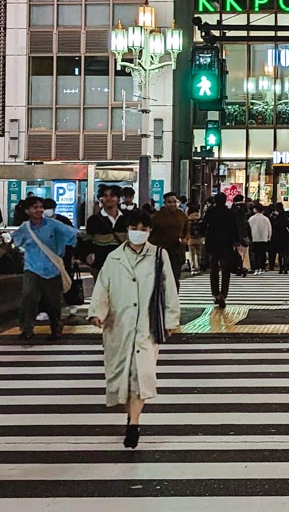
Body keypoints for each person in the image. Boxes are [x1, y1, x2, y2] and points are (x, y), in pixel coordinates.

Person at [87, 209, 180, 450]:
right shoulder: (114, 258)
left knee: (141, 375)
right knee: (121, 378)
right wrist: (97, 313)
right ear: (127, 230)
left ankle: (134, 424)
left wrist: (171, 319)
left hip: (147, 327)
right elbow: (102, 288)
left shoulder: (159, 255)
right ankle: (131, 416)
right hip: (118, 325)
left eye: (144, 229)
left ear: (150, 231)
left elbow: (169, 288)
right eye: (134, 228)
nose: (139, 233)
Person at [10, 196, 78, 341]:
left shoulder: (53, 224)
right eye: (35, 207)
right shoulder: (25, 228)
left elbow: (71, 234)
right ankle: (27, 329)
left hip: (52, 268)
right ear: (28, 211)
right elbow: (16, 240)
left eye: (41, 207)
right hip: (32, 268)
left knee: (53, 301)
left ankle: (56, 329)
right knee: (29, 297)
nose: (40, 210)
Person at [203, 193, 239, 309]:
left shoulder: (210, 212)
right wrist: (236, 241)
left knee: (213, 270)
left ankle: (215, 294)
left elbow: (203, 226)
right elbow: (235, 228)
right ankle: (224, 294)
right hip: (226, 244)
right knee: (226, 270)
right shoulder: (230, 213)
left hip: (212, 244)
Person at [150, 192, 190, 288]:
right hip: (160, 251)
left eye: (174, 202)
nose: (172, 204)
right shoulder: (157, 216)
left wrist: (184, 240)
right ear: (164, 203)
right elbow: (151, 233)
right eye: (169, 202)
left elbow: (187, 231)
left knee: (175, 278)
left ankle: (174, 299)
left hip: (177, 251)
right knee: (161, 278)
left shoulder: (182, 216)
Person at [85, 184, 128, 273]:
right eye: (105, 196)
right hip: (100, 266)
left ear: (118, 199)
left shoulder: (127, 218)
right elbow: (87, 241)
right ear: (101, 199)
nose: (109, 198)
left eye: (112, 196)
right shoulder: (93, 220)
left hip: (123, 266)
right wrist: (88, 256)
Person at [269, 204, 289, 273]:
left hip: (278, 237)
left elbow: (274, 226)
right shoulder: (286, 217)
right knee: (286, 253)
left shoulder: (276, 218)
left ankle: (281, 268)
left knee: (280, 253)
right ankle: (286, 267)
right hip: (286, 236)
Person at [247, 204, 272, 275]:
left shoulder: (251, 219)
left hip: (254, 238)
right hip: (264, 238)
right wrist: (269, 237)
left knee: (256, 254)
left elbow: (248, 229)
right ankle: (262, 268)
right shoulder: (266, 219)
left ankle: (256, 268)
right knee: (262, 254)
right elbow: (270, 229)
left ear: (255, 210)